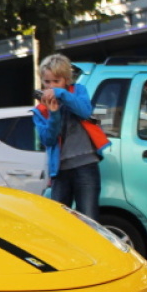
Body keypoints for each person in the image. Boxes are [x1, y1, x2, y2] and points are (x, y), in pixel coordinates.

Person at [31, 53, 101, 220]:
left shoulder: (78, 91)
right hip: (61, 170)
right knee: (60, 220)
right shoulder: (40, 109)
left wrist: (61, 94)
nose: (51, 86)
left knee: (89, 218)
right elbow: (48, 139)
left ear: (66, 80)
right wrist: (53, 115)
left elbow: (84, 111)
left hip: (86, 164)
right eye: (47, 82)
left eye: (57, 81)